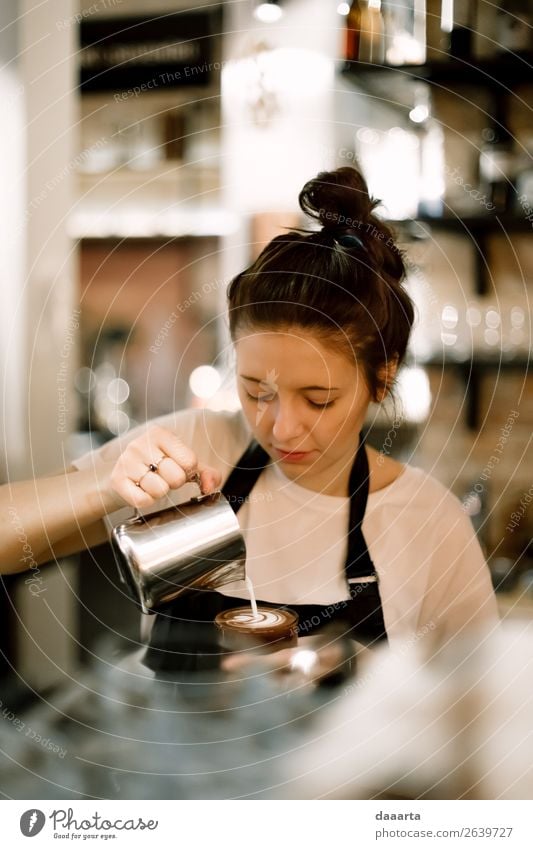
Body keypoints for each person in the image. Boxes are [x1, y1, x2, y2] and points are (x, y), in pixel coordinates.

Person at [1, 167, 498, 669]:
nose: (281, 427)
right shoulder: (191, 450)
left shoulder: (428, 521)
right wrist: (105, 486)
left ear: (382, 379)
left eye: (318, 399)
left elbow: (475, 710)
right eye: (256, 391)